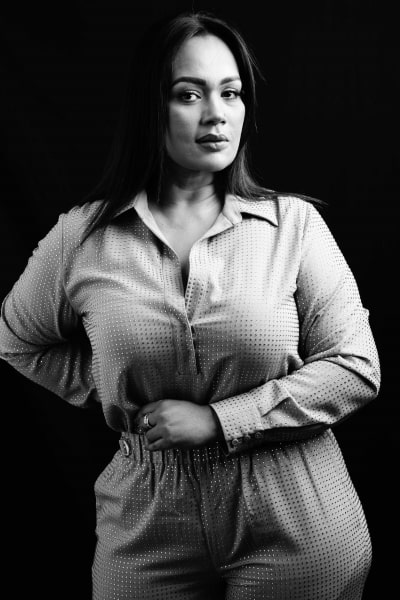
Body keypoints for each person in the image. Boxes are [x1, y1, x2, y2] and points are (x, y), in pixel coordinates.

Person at [0, 10, 380, 600]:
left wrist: (218, 421)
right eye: (189, 94)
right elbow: (18, 341)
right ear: (150, 107)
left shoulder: (293, 225)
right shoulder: (83, 237)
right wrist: (114, 385)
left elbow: (356, 367)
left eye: (231, 93)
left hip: (296, 507)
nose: (216, 114)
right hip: (147, 512)